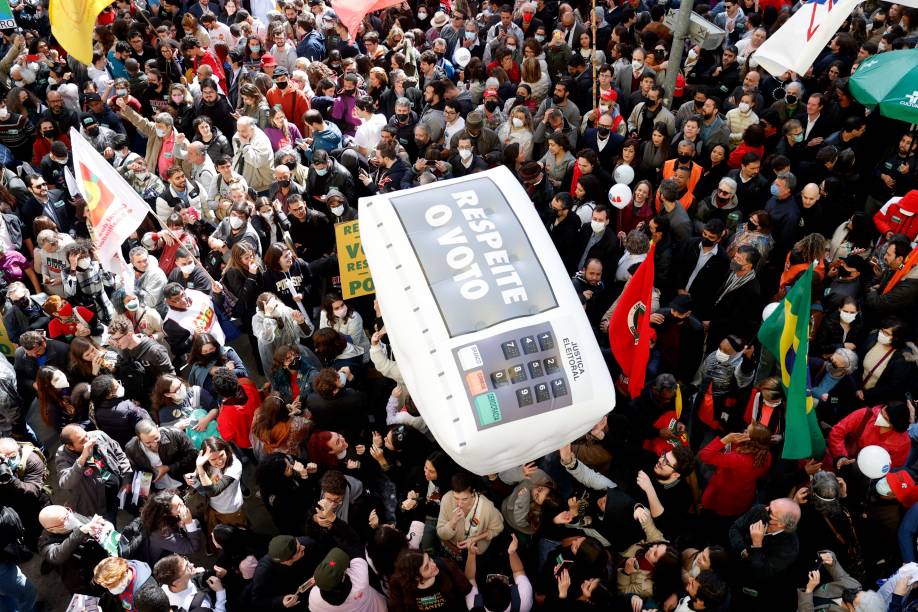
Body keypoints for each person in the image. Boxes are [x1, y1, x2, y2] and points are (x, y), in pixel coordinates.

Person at [55, 424, 132, 521]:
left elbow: (119, 454)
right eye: (82, 441)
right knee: (110, 526)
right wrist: (82, 459)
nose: (88, 441)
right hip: (101, 503)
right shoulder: (63, 456)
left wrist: (126, 478)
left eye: (86, 435)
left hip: (121, 489)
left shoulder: (98, 435)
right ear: (70, 447)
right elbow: (65, 482)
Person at [125, 420, 197, 492]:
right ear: (139, 439)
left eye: (156, 438)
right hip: (160, 490)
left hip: (184, 482)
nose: (154, 444)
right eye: (148, 443)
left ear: (157, 427)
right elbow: (138, 470)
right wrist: (145, 490)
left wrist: (169, 468)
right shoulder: (131, 449)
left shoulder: (175, 434)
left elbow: (193, 454)